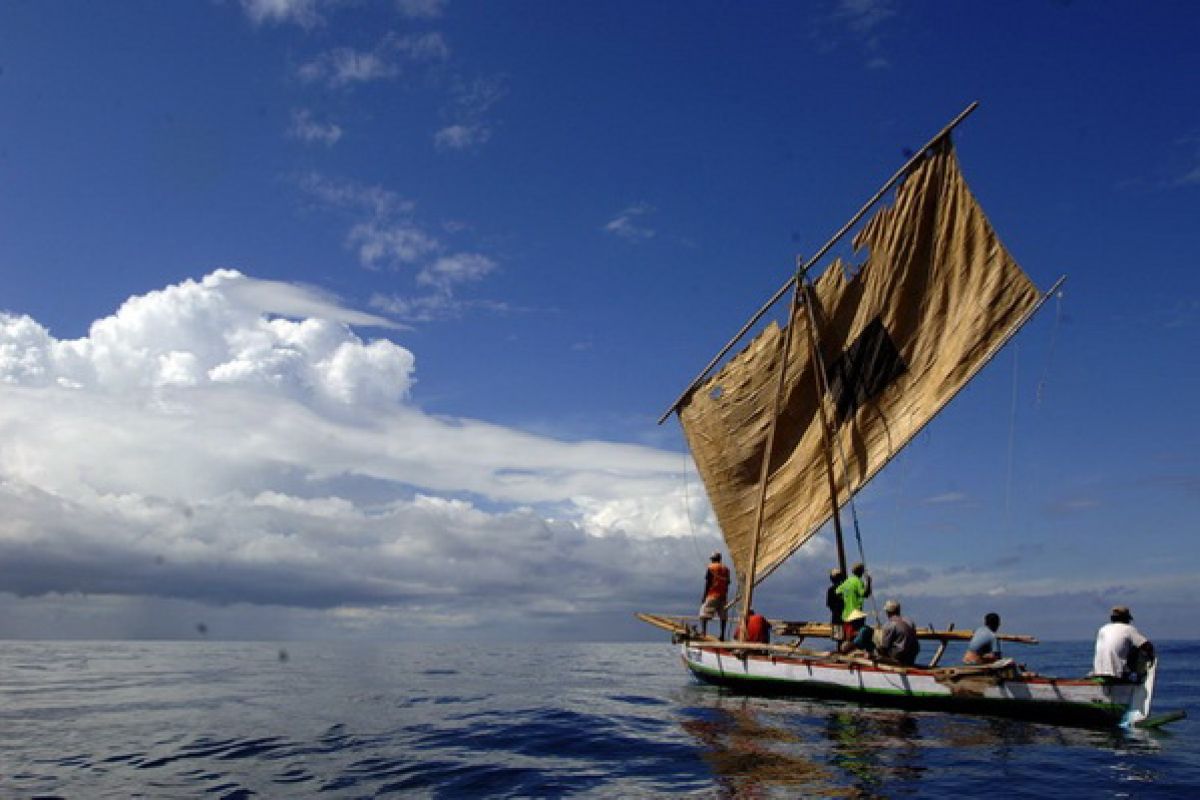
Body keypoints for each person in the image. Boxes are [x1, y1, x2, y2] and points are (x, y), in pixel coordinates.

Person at [1093, 606, 1154, 681]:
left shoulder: (1102, 629)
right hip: (1116, 675)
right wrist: (1151, 658)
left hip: (1098, 673)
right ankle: (1138, 677)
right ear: (1125, 618)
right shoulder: (1128, 629)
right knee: (1137, 648)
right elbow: (1147, 646)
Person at [836, 561, 872, 640]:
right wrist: (869, 582)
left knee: (848, 635)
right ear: (861, 572)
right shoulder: (858, 582)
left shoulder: (847, 581)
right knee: (857, 637)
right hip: (855, 613)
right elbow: (865, 594)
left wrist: (844, 599)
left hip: (846, 614)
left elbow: (837, 591)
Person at [698, 551, 731, 640]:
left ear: (713, 559)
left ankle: (703, 633)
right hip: (723, 596)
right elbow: (728, 582)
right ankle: (722, 636)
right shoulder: (726, 569)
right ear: (719, 559)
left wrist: (704, 596)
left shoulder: (711, 567)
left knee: (703, 613)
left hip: (712, 594)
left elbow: (708, 583)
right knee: (723, 616)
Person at [878, 599, 920, 666]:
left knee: (878, 650)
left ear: (888, 612)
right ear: (899, 610)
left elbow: (885, 646)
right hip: (911, 656)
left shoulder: (889, 625)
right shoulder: (910, 622)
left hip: (899, 656)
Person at [826, 568, 845, 644]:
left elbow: (829, 604)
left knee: (839, 641)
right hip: (847, 618)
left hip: (836, 618)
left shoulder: (831, 590)